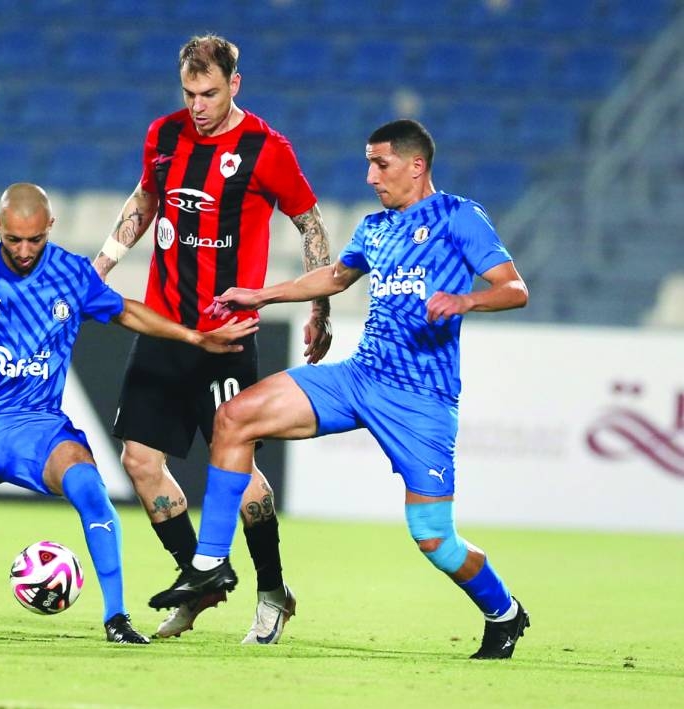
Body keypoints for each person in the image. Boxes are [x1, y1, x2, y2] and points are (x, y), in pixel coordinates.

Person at [150, 119, 533, 659]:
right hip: (358, 377)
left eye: (381, 164)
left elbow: (514, 289)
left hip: (420, 400)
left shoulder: (459, 217)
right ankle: (209, 567)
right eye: (369, 163)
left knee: (434, 539)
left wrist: (467, 300)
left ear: (415, 165)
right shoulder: (374, 228)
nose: (370, 175)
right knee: (234, 417)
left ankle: (505, 612)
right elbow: (334, 277)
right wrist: (261, 296)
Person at [0, 183, 257, 645]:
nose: (24, 251)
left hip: (38, 433)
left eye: (35, 239)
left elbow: (125, 311)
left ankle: (117, 619)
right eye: (14, 240)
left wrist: (194, 338)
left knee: (89, 484)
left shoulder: (73, 274)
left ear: (51, 227)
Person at [92, 34, 333, 644]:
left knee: (241, 472)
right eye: (189, 93)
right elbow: (146, 197)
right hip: (165, 325)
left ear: (235, 85)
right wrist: (99, 268)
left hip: (225, 334)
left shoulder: (265, 149)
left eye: (210, 92)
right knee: (140, 462)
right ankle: (197, 581)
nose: (198, 105)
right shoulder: (164, 135)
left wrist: (320, 306)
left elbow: (310, 223)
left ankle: (273, 588)